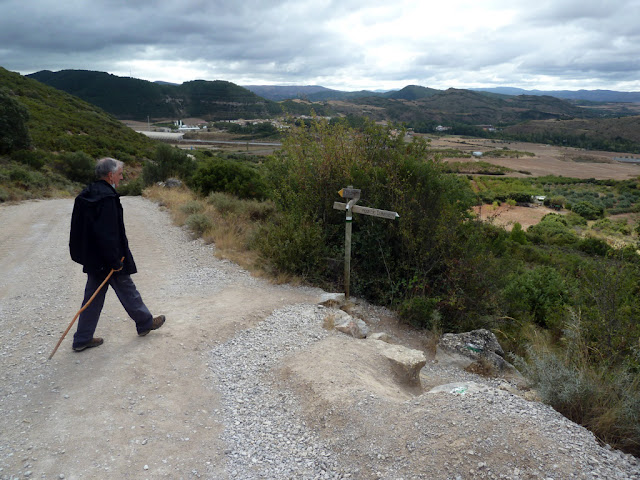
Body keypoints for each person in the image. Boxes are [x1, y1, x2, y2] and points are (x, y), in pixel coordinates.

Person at [69, 157, 165, 352]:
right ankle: (145, 322)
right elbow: (107, 234)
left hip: (94, 257)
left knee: (93, 297)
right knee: (126, 288)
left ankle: (82, 338)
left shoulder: (88, 193)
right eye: (120, 174)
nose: (121, 178)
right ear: (111, 175)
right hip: (107, 258)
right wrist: (114, 260)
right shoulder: (107, 198)